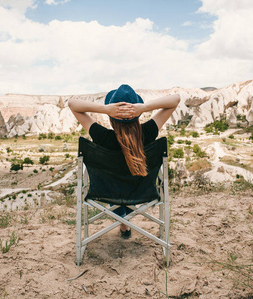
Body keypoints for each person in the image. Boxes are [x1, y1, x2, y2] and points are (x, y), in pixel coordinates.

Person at [68, 84, 180, 238]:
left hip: (108, 191)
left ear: (112, 116)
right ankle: (125, 221)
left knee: (116, 185)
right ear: (137, 114)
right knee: (126, 184)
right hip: (140, 192)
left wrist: (107, 109)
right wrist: (144, 107)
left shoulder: (102, 137)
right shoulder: (148, 132)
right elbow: (176, 99)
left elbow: (72, 104)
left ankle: (123, 224)